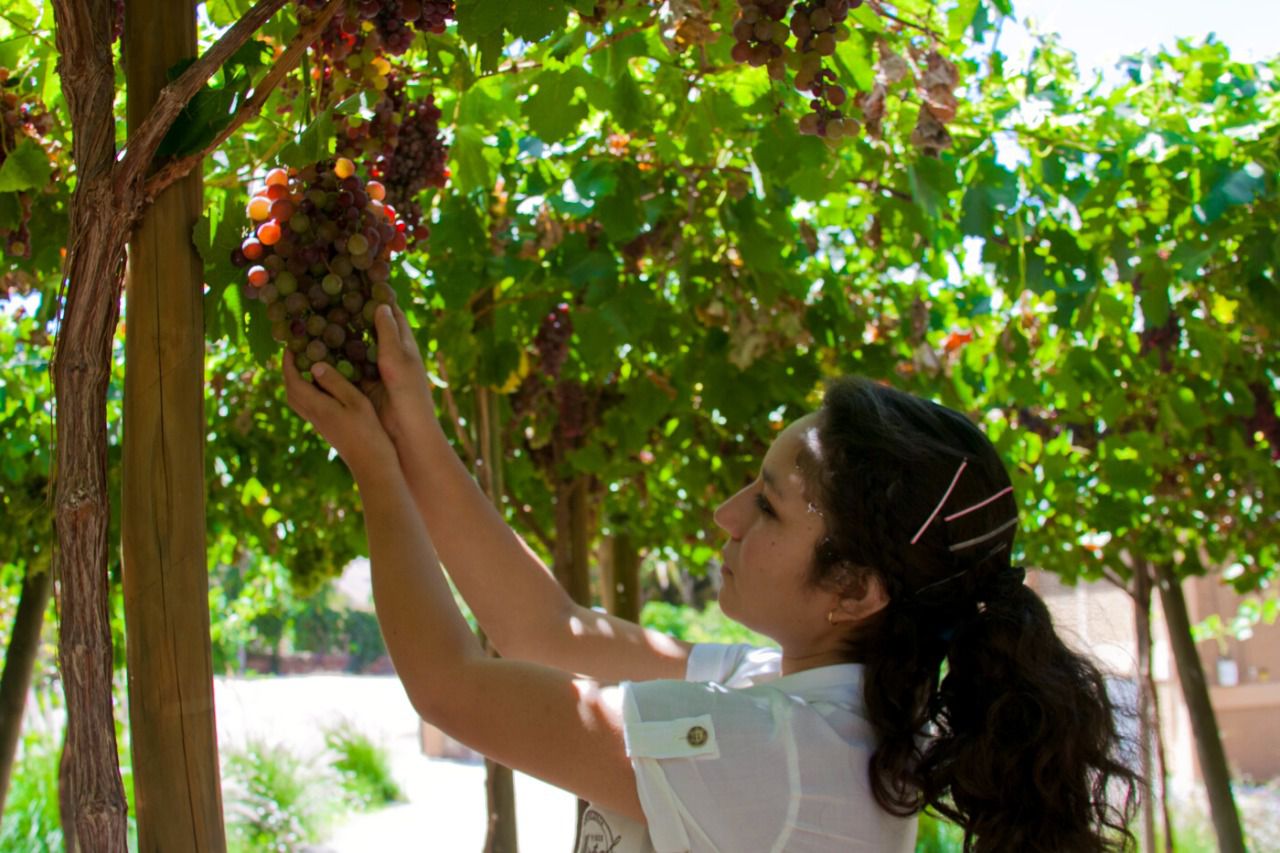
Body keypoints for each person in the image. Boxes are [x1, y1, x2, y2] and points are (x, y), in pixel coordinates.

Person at [283, 302, 1140, 852]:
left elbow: (454, 689)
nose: (727, 515)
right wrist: (412, 428)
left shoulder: (779, 752)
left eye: (767, 506)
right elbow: (548, 631)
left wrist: (376, 473)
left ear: (855, 590)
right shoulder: (795, 701)